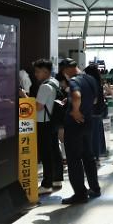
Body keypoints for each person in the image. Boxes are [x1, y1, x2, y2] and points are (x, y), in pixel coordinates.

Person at [59, 58, 101, 205]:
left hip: (74, 124)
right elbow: (94, 99)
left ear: (66, 70)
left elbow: (77, 95)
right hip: (88, 121)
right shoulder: (90, 79)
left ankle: (80, 194)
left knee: (74, 159)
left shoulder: (74, 81)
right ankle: (95, 188)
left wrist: (75, 110)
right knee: (88, 157)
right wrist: (76, 103)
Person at [33, 59, 64, 195]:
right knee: (55, 150)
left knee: (46, 153)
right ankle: (57, 179)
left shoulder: (44, 87)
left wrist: (24, 97)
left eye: (37, 71)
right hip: (53, 121)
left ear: (45, 72)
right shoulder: (55, 82)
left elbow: (38, 107)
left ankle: (46, 184)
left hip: (44, 122)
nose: (35, 74)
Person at [84, 64, 108, 163]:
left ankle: (94, 156)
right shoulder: (99, 83)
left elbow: (94, 100)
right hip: (98, 112)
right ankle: (97, 155)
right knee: (97, 134)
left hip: (93, 112)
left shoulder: (92, 84)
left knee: (93, 135)